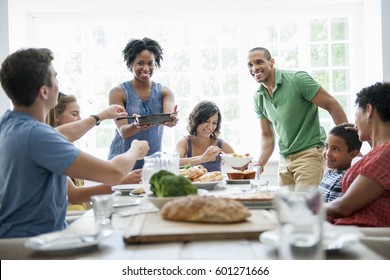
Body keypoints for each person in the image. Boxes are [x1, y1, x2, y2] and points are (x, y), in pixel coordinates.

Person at [0, 48, 149, 238]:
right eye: (55, 78)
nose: (58, 84)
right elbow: (114, 173)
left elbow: (60, 134)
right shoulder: (37, 136)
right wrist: (135, 150)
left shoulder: (9, 125)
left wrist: (100, 116)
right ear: (44, 91)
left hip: (15, 236)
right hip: (37, 243)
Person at [247, 47, 348, 191]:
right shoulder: (259, 97)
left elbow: (331, 104)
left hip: (309, 154)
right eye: (250, 65)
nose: (254, 68)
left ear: (272, 62)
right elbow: (267, 136)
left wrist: (349, 142)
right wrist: (260, 163)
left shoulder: (297, 80)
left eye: (259, 62)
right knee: (285, 209)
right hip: (284, 159)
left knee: (303, 209)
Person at [47, 93, 142, 210]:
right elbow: (74, 195)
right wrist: (135, 149)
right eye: (74, 114)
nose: (80, 119)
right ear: (57, 116)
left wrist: (103, 115)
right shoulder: (48, 144)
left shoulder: (56, 143)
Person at [326, 82, 390, 227]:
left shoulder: (385, 154)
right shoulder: (379, 152)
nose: (355, 123)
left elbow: (343, 207)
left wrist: (305, 208)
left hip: (361, 236)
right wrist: (368, 137)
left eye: (356, 116)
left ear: (369, 110)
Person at [108, 37, 178, 169]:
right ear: (130, 64)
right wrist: (137, 125)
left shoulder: (165, 92)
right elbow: (123, 132)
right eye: (140, 63)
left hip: (152, 163)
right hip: (122, 162)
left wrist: (171, 121)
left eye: (150, 63)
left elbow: (168, 117)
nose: (146, 68)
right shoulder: (118, 92)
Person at [175, 100, 235, 172]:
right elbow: (174, 163)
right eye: (206, 121)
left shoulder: (221, 144)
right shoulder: (184, 142)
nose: (210, 127)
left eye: (214, 123)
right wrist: (202, 158)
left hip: (216, 183)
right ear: (196, 120)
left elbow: (238, 167)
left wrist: (245, 162)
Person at [319, 123, 362, 202]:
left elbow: (333, 212)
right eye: (326, 146)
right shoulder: (329, 173)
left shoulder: (343, 180)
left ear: (353, 154)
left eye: (335, 149)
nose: (328, 153)